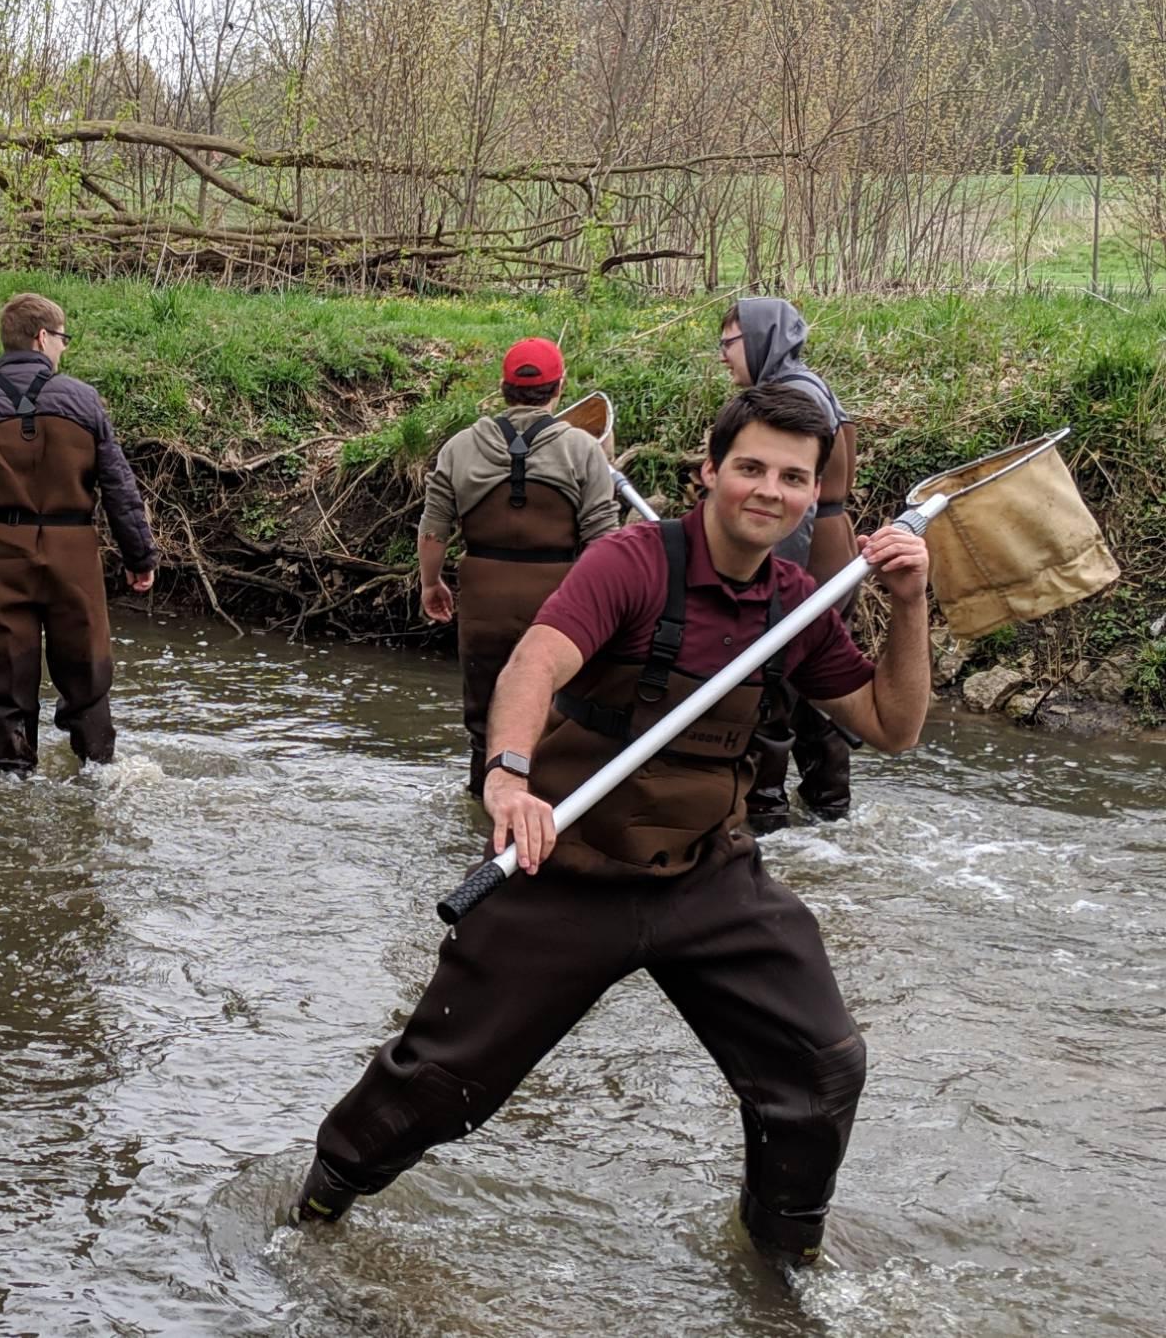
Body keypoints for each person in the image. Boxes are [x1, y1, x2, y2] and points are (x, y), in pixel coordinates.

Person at [290, 384, 932, 1269]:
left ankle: (782, 1261)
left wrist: (909, 607)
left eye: (793, 477)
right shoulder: (632, 562)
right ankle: (318, 1208)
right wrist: (508, 777)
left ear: (811, 492)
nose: (768, 491)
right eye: (749, 467)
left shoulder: (799, 601)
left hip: (708, 876)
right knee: (439, 1085)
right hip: (567, 864)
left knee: (821, 1069)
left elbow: (891, 726)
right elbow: (535, 661)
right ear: (709, 472)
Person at [0, 293, 158, 771]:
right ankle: (97, 776)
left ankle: (7, 788)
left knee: (6, 678)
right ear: (42, 337)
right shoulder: (84, 400)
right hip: (74, 553)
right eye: (62, 338)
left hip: (1, 552)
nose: (64, 348)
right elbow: (119, 488)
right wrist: (139, 557)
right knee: (87, 675)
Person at [417, 338, 618, 793]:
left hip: (483, 603)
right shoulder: (583, 450)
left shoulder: (459, 447)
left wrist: (431, 584)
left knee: (484, 723)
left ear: (504, 388)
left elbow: (433, 532)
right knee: (556, 715)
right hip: (561, 610)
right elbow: (604, 541)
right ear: (559, 387)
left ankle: (481, 807)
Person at [720, 298, 860, 827]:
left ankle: (765, 816)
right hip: (833, 554)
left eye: (729, 343)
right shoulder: (813, 386)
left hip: (806, 557)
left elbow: (788, 505)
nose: (723, 357)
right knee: (814, 685)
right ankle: (830, 811)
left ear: (760, 339)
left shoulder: (786, 400)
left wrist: (770, 580)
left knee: (769, 685)